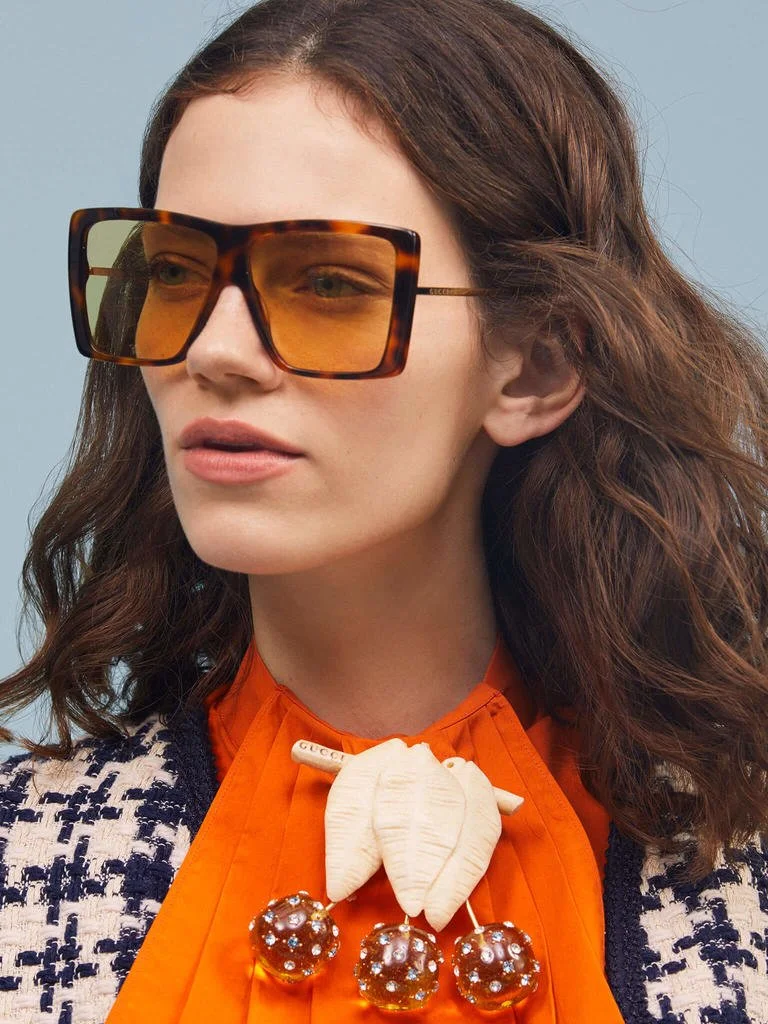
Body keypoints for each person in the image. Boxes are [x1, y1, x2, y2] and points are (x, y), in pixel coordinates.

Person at [1, 0, 766, 1021]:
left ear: (537, 365)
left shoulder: (737, 886)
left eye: (328, 283)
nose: (213, 352)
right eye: (176, 272)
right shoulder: (26, 861)